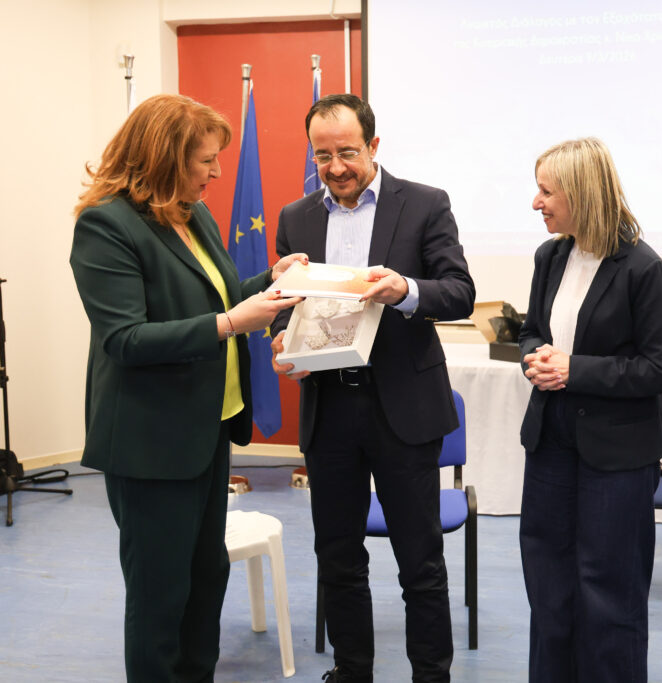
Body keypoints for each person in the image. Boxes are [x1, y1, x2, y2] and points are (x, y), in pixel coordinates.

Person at [69, 94, 305, 682]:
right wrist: (231, 323)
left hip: (206, 430)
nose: (217, 172)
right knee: (160, 595)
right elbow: (125, 339)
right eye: (205, 160)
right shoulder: (106, 225)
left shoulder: (191, 214)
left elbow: (213, 298)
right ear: (165, 158)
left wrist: (268, 282)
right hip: (151, 443)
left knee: (205, 580)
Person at [270, 94, 475, 683]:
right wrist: (284, 339)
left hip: (403, 410)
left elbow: (459, 292)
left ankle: (430, 675)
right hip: (329, 409)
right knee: (337, 556)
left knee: (420, 561)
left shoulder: (425, 204)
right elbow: (285, 304)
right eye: (322, 156)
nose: (335, 168)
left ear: (374, 146)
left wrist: (406, 290)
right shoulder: (296, 217)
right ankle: (351, 670)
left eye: (348, 153)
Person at [517, 137, 662, 682]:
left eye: (547, 192)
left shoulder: (643, 268)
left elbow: (661, 369)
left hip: (618, 453)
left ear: (581, 193)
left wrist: (574, 370)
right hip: (551, 441)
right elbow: (532, 330)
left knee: (609, 592)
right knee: (549, 586)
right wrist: (535, 357)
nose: (536, 203)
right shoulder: (550, 257)